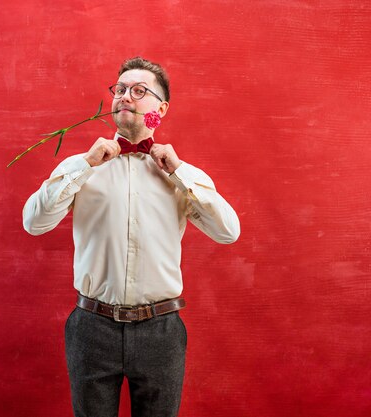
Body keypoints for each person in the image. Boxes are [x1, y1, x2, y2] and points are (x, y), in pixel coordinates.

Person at [22, 57, 240, 417]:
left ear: (161, 108)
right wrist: (84, 166)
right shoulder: (83, 166)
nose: (126, 96)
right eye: (120, 89)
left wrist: (180, 172)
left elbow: (228, 232)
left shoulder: (182, 176)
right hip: (92, 327)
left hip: (161, 330)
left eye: (139, 91)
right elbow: (34, 222)